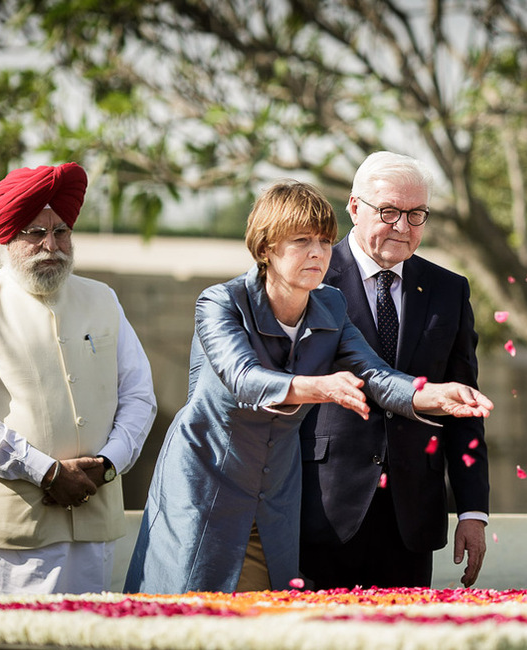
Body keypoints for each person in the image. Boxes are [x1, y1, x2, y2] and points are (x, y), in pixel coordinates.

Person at [124, 180, 492, 595]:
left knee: (270, 620)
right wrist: (321, 387)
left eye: (323, 240)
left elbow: (377, 377)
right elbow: (243, 379)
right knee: (188, 615)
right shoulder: (220, 302)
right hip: (207, 484)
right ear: (266, 248)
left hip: (277, 495)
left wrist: (431, 395)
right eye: (302, 241)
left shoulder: (330, 304)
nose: (318, 253)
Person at [299, 151, 490, 589]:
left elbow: (464, 404)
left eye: (416, 214)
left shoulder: (449, 290)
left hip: (412, 516)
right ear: (353, 207)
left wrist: (472, 511)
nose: (403, 227)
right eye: (388, 212)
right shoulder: (313, 278)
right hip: (323, 508)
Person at [0, 163, 157, 596]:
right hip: (16, 531)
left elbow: (139, 396)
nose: (51, 246)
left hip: (97, 518)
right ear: (8, 237)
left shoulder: (103, 298)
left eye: (61, 232)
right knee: (16, 641)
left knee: (92, 637)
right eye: (35, 233)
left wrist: (108, 463)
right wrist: (46, 472)